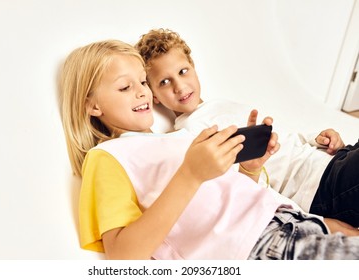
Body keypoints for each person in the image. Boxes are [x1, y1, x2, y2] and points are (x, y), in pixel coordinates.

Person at [59, 39, 359, 260]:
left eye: (141, 82)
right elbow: (124, 257)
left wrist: (249, 169)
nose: (141, 91)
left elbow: (227, 202)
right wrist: (190, 175)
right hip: (256, 247)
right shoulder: (107, 157)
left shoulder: (175, 140)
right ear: (91, 105)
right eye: (125, 87)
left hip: (291, 223)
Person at [135, 28, 359, 228]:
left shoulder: (220, 104)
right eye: (164, 82)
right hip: (320, 186)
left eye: (183, 72)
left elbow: (283, 137)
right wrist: (313, 223)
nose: (179, 86)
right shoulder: (194, 134)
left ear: (193, 67)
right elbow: (247, 187)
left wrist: (316, 138)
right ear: (154, 95)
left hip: (330, 159)